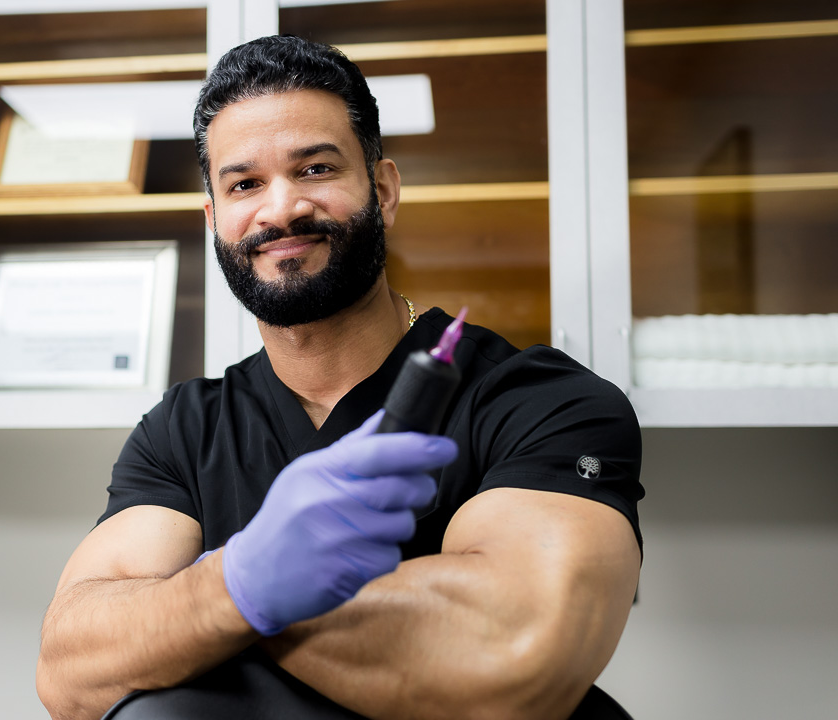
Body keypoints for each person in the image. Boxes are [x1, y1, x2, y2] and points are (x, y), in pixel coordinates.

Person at [36, 35, 644, 720]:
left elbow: (516, 655)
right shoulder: (184, 428)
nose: (281, 209)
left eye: (316, 169)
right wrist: (243, 583)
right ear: (214, 218)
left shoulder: (536, 402)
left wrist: (212, 605)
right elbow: (71, 666)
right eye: (244, 184)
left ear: (381, 190)